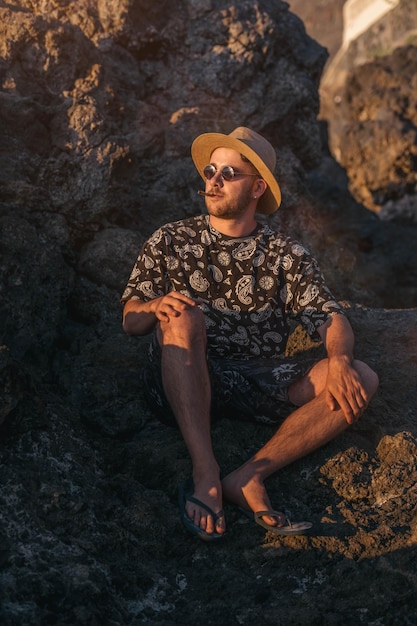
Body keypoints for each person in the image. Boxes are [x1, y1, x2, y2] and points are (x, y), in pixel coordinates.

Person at [121, 127, 379, 541]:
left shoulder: (285, 255)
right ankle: (206, 470)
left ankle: (247, 476)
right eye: (210, 171)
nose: (214, 180)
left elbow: (329, 317)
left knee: (360, 377)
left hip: (252, 381)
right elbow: (130, 321)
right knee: (184, 316)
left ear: (258, 187)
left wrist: (342, 361)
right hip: (177, 374)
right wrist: (153, 307)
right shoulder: (171, 240)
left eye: (228, 172)